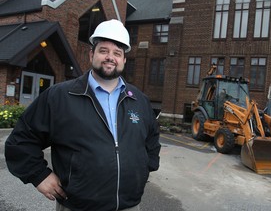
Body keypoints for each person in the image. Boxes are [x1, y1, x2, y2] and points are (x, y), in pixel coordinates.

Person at [5, 19, 161, 211]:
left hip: (129, 206)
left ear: (124, 60)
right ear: (91, 54)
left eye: (117, 53)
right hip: (78, 206)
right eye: (103, 51)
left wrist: (145, 169)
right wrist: (38, 175)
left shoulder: (139, 100)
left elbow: (152, 140)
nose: (110, 57)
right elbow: (21, 140)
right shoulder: (59, 97)